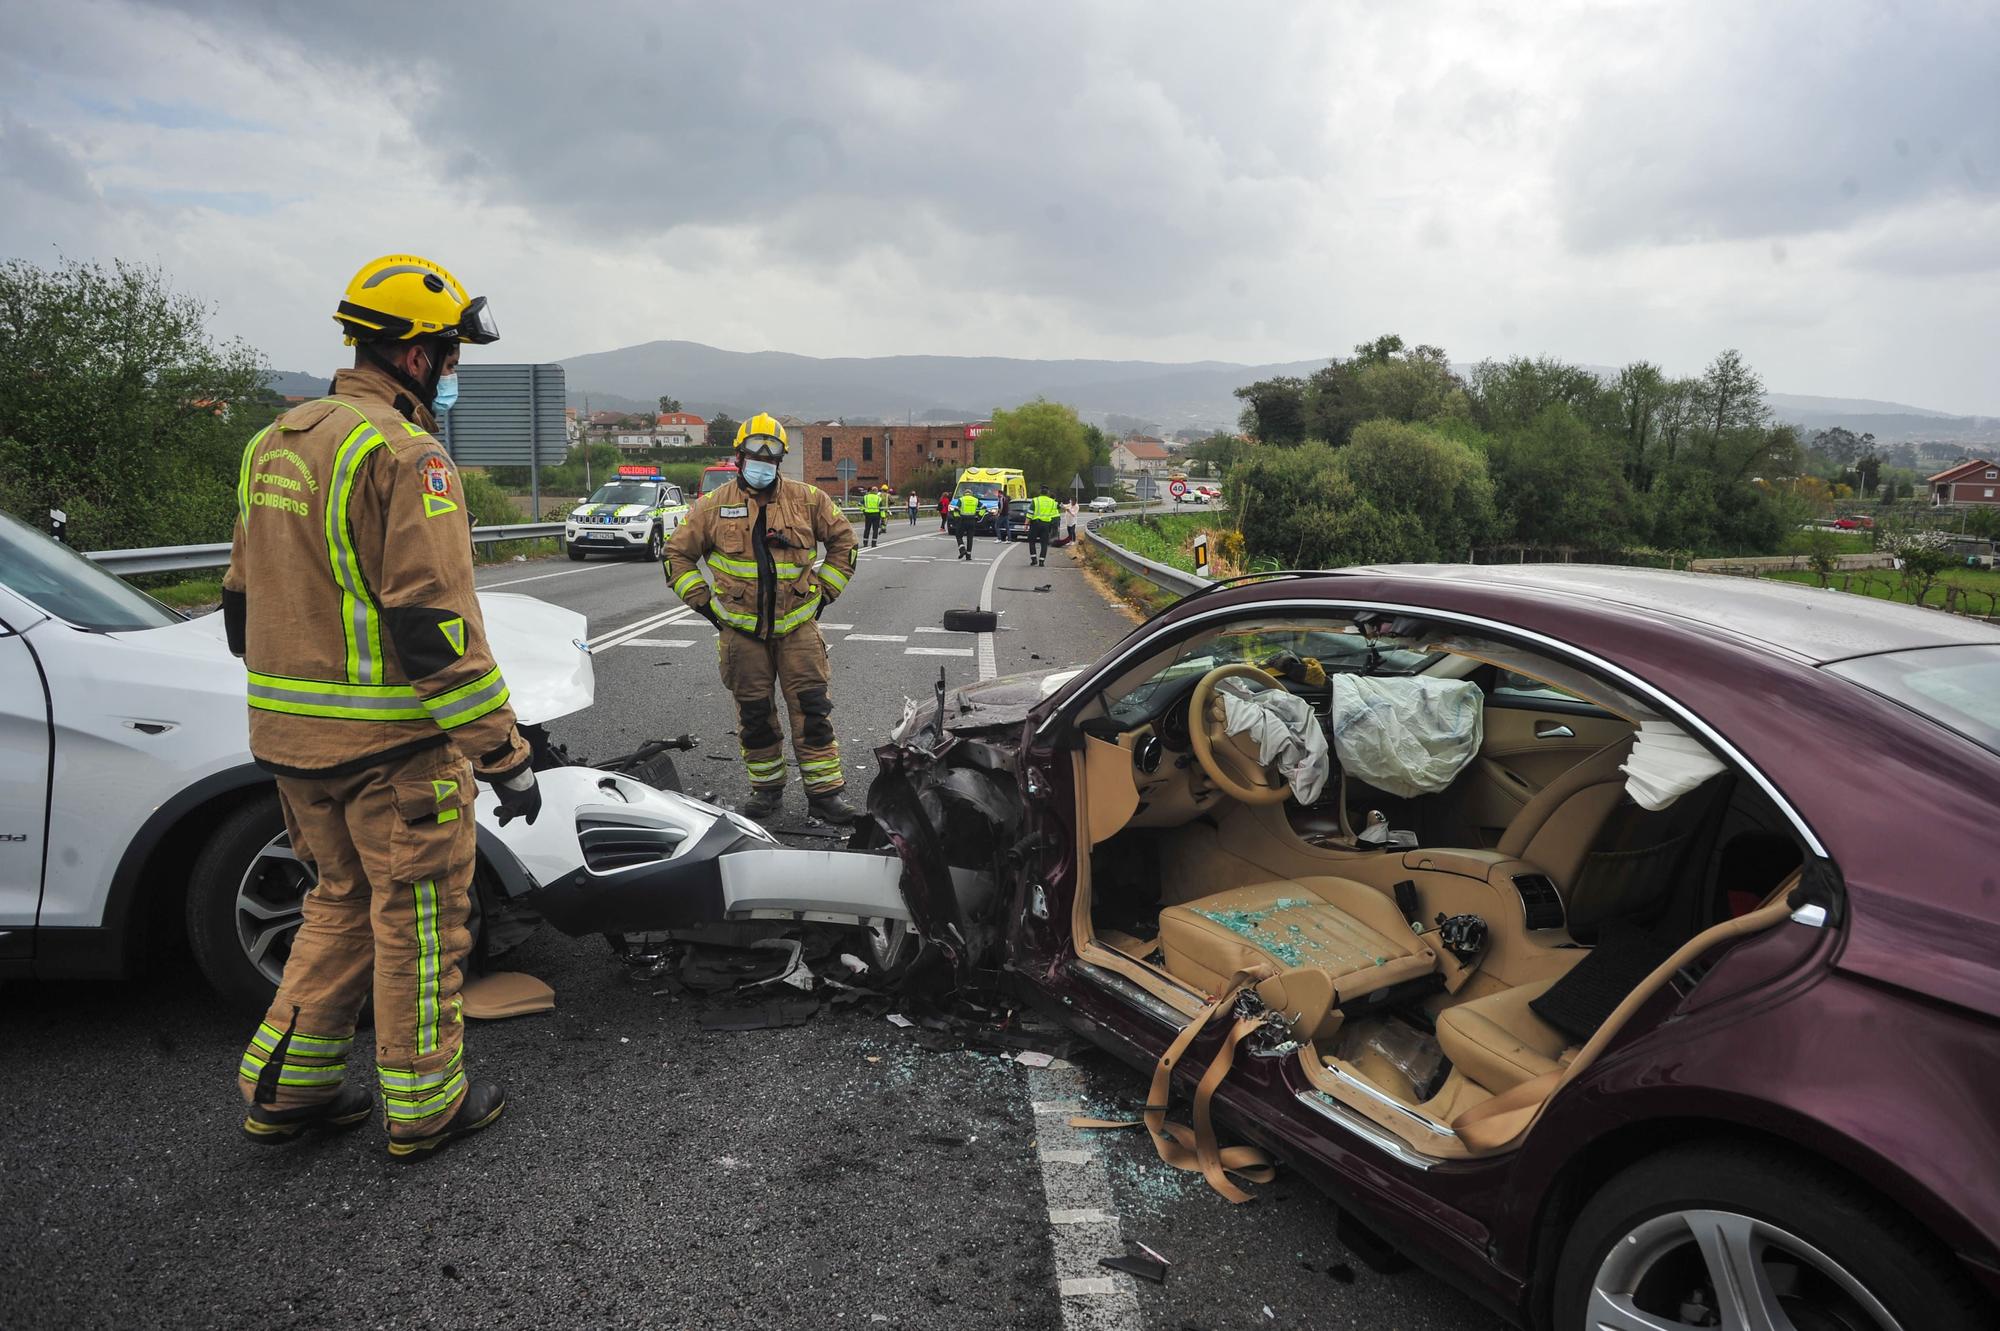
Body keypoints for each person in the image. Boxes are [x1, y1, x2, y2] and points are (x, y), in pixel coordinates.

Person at [222, 253, 535, 1159]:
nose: (452, 374)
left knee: (339, 905)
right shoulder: (406, 455)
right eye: (448, 355)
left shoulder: (277, 440)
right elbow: (433, 629)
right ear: (411, 356)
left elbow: (241, 608)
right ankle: (426, 1106)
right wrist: (503, 752)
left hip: (291, 743)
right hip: (391, 751)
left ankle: (286, 1089)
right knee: (421, 924)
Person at [665, 413, 860, 823]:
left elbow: (844, 542)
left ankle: (826, 796)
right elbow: (676, 556)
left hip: (799, 628)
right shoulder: (712, 507)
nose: (763, 464)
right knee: (755, 716)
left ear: (780, 460)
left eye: (771, 457)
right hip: (740, 632)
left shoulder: (810, 500)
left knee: (813, 710)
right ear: (739, 457)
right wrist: (702, 602)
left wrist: (827, 590)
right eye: (756, 455)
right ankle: (766, 793)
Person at [1026, 485, 1060, 567]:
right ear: (1048, 492)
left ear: (1040, 492)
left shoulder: (1035, 500)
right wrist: (1054, 526)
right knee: (1044, 543)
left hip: (1035, 524)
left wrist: (1026, 523)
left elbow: (1030, 513)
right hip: (1046, 525)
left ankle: (1034, 560)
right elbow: (1054, 515)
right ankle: (1042, 561)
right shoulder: (1052, 502)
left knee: (1032, 541)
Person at [953, 489, 980, 560]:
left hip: (963, 520)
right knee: (970, 538)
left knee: (958, 536)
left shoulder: (961, 499)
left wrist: (957, 517)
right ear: (971, 494)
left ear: (964, 494)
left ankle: (962, 550)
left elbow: (956, 509)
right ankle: (968, 556)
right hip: (972, 520)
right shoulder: (975, 500)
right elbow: (984, 507)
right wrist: (978, 517)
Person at [860, 484, 884, 548]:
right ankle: (873, 544)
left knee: (867, 529)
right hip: (876, 515)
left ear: (871, 491)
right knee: (875, 530)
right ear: (876, 491)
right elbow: (881, 509)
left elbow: (860, 504)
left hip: (868, 514)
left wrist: (863, 510)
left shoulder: (866, 497)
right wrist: (883, 517)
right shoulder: (879, 498)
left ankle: (865, 543)